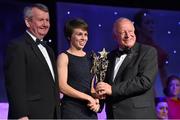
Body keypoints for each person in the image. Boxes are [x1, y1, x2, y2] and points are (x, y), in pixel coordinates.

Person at [4, 3, 61, 119]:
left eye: (47, 20)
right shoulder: (17, 46)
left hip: (52, 115)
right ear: (28, 22)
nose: (45, 24)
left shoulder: (49, 50)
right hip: (31, 115)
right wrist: (21, 115)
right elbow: (15, 85)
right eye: (41, 20)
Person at [96, 17, 158, 119]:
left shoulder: (148, 52)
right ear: (114, 36)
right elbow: (105, 86)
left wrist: (112, 89)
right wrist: (98, 101)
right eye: (122, 32)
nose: (128, 35)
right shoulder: (108, 57)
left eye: (130, 31)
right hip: (113, 116)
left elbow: (144, 81)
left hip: (138, 116)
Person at [57, 18, 100, 119]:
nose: (84, 38)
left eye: (85, 34)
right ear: (69, 36)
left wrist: (96, 100)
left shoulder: (91, 57)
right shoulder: (64, 57)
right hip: (72, 111)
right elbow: (62, 86)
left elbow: (91, 87)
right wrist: (88, 97)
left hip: (90, 111)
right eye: (79, 34)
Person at [133, 9, 168, 89]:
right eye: (147, 23)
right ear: (138, 27)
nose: (151, 26)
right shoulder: (130, 48)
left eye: (152, 23)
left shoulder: (159, 52)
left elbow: (163, 77)